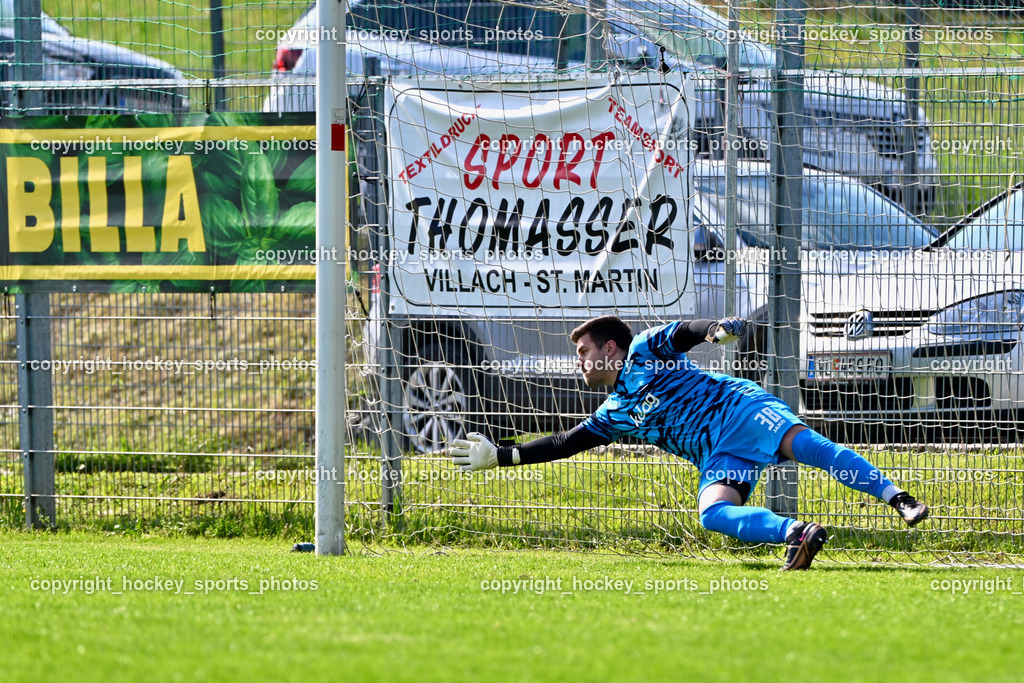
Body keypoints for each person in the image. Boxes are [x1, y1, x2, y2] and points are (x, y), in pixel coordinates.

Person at [450, 315, 928, 570]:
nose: (580, 362)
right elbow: (563, 443)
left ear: (609, 349)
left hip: (738, 409)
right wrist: (502, 457)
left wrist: (716, 329)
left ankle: (898, 498)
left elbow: (684, 333)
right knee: (712, 513)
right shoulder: (612, 414)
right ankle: (796, 534)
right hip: (722, 453)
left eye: (583, 352)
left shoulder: (641, 352)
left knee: (809, 448)